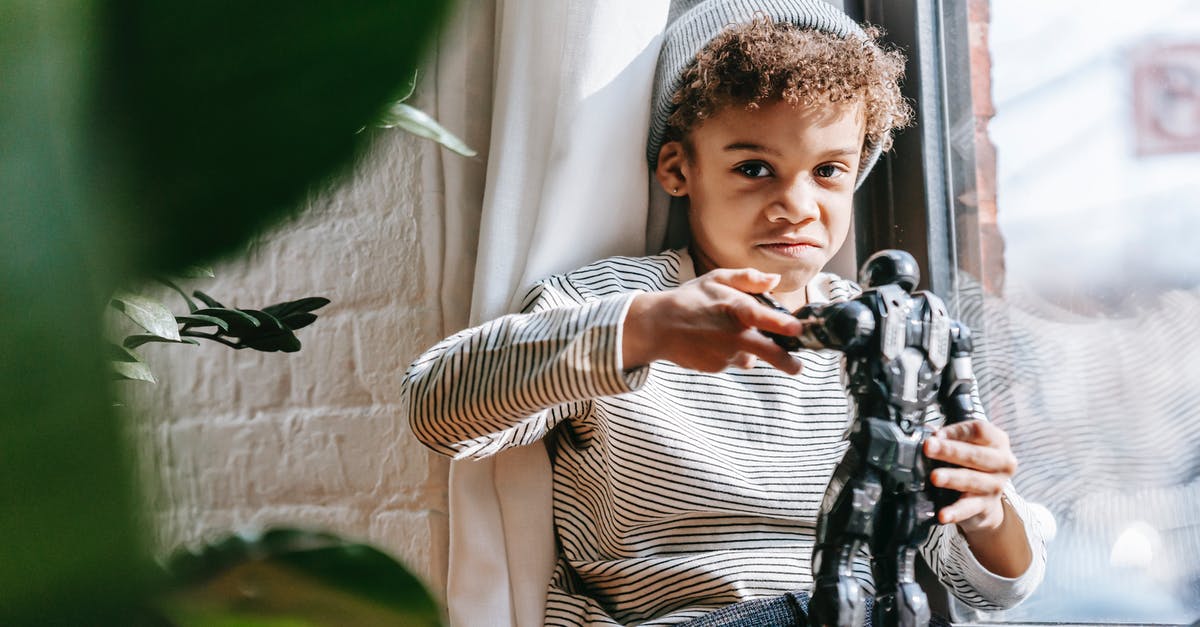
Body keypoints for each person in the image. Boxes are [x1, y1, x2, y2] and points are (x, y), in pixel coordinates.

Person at [402, 1, 1046, 625]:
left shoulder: (887, 334)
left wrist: (986, 511)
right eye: (755, 167)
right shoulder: (614, 302)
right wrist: (643, 330)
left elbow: (994, 587)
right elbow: (437, 409)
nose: (796, 205)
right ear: (678, 169)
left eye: (827, 171)